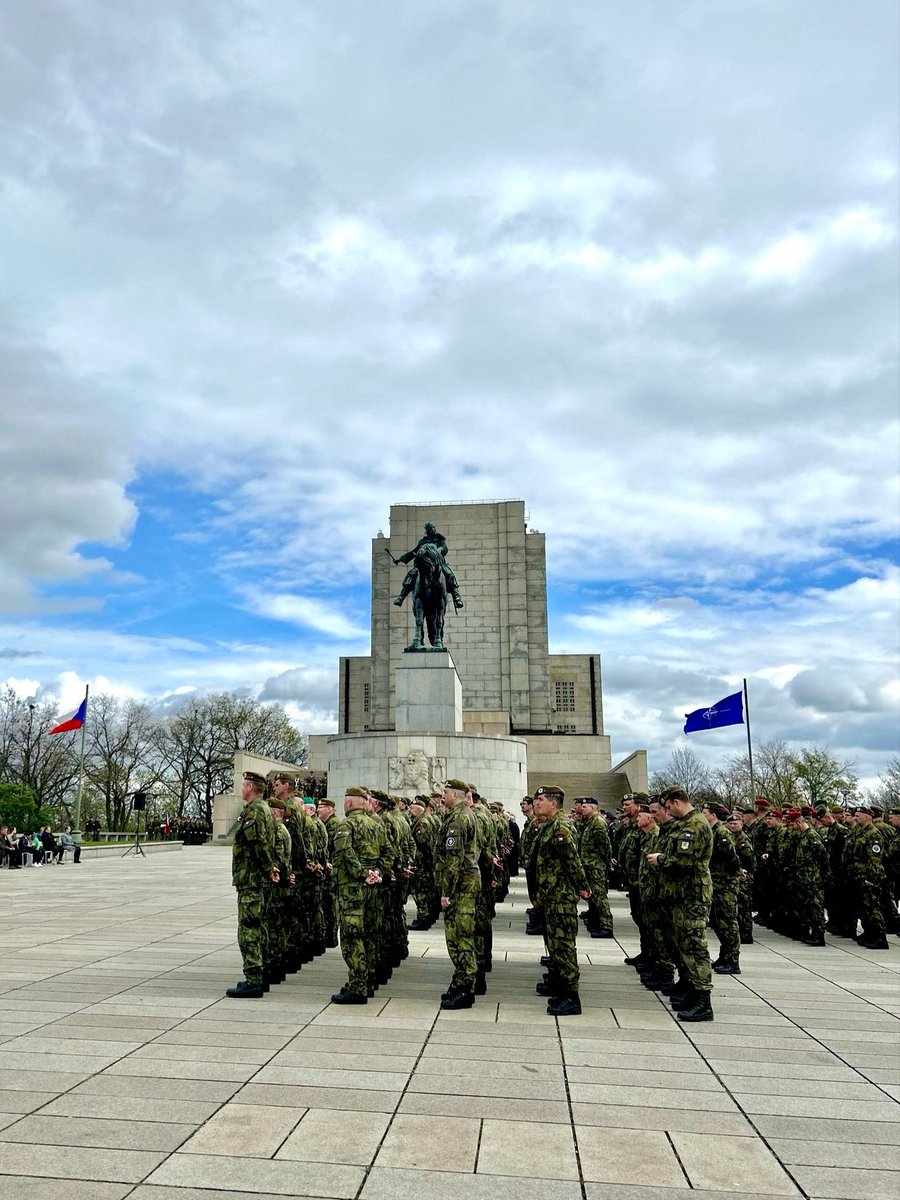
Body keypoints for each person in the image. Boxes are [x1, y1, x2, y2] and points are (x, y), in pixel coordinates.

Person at [646, 785, 715, 1022]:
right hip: (680, 895)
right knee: (683, 945)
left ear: (676, 802)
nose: (667, 812)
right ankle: (689, 988)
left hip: (692, 895)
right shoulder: (686, 824)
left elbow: (685, 862)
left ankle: (702, 999)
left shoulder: (694, 825)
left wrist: (661, 859)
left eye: (667, 807)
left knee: (695, 946)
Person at [531, 784, 591, 1017]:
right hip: (550, 895)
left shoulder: (561, 827)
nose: (536, 804)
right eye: (536, 800)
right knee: (555, 945)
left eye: (541, 800)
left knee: (564, 946)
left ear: (553, 804)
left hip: (561, 897)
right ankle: (559, 985)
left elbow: (571, 861)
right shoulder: (549, 826)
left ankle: (570, 996)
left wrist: (582, 886)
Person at [226, 771, 278, 999]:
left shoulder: (254, 811)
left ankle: (254, 979)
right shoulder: (265, 809)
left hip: (252, 879)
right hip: (259, 879)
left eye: (243, 785)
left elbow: (257, 843)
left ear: (250, 788)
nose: (241, 788)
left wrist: (267, 867)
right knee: (260, 927)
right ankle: (261, 976)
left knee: (249, 929)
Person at [331, 787, 385, 1004]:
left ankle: (358, 986)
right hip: (372, 889)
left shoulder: (346, 825)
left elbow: (344, 853)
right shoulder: (377, 824)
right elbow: (389, 851)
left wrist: (363, 874)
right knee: (369, 935)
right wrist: (377, 872)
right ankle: (368, 979)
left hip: (352, 890)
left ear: (350, 804)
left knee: (352, 938)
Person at [434, 779, 481, 1009]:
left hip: (460, 886)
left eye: (445, 792)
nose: (443, 795)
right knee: (459, 937)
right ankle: (461, 983)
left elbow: (454, 858)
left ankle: (465, 988)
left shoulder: (459, 818)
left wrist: (447, 891)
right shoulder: (464, 814)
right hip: (464, 884)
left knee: (460, 938)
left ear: (455, 794)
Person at [702, 798, 743, 975]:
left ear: (713, 815)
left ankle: (733, 960)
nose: (702, 816)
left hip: (725, 884)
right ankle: (724, 955)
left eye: (704, 813)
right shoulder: (712, 831)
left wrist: (734, 875)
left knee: (728, 922)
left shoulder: (722, 833)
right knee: (718, 922)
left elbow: (732, 859)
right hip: (716, 883)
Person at [392, 521, 464, 610]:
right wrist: (401, 559)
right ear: (427, 530)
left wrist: (438, 551)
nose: (433, 529)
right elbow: (414, 552)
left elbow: (444, 548)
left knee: (449, 574)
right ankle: (401, 596)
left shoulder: (439, 539)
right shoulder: (423, 541)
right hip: (423, 564)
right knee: (411, 574)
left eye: (433, 527)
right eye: (430, 528)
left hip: (438, 563)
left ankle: (457, 597)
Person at [577, 798, 614, 938]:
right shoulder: (588, 823)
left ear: (593, 808)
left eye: (585, 806)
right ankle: (595, 921)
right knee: (592, 896)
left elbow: (604, 845)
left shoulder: (597, 823)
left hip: (596, 866)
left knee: (599, 897)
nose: (582, 809)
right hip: (588, 865)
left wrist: (606, 862)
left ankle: (606, 926)